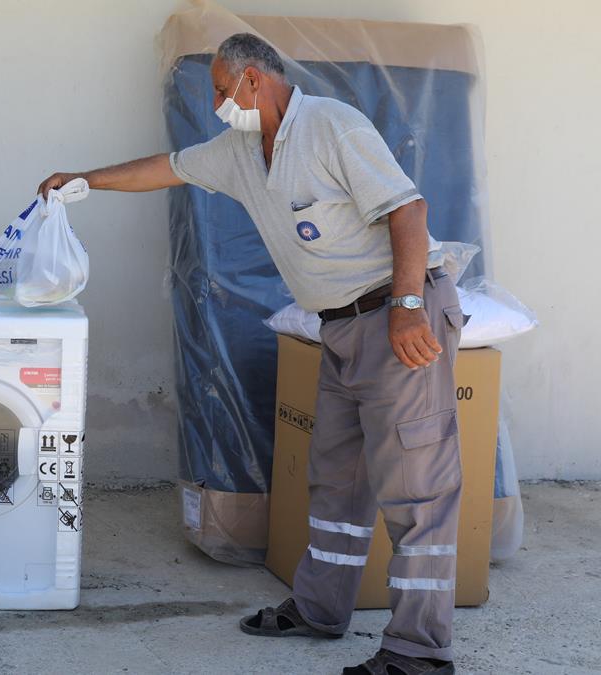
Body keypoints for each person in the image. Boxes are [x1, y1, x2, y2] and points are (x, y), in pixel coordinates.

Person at [39, 33, 463, 675]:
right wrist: (84, 181)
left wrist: (407, 310)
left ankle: (419, 653)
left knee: (416, 491)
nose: (215, 103)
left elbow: (408, 211)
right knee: (337, 479)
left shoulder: (331, 126)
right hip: (342, 328)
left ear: (254, 81)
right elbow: (168, 168)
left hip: (394, 316)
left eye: (219, 89)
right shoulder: (241, 150)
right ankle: (321, 609)